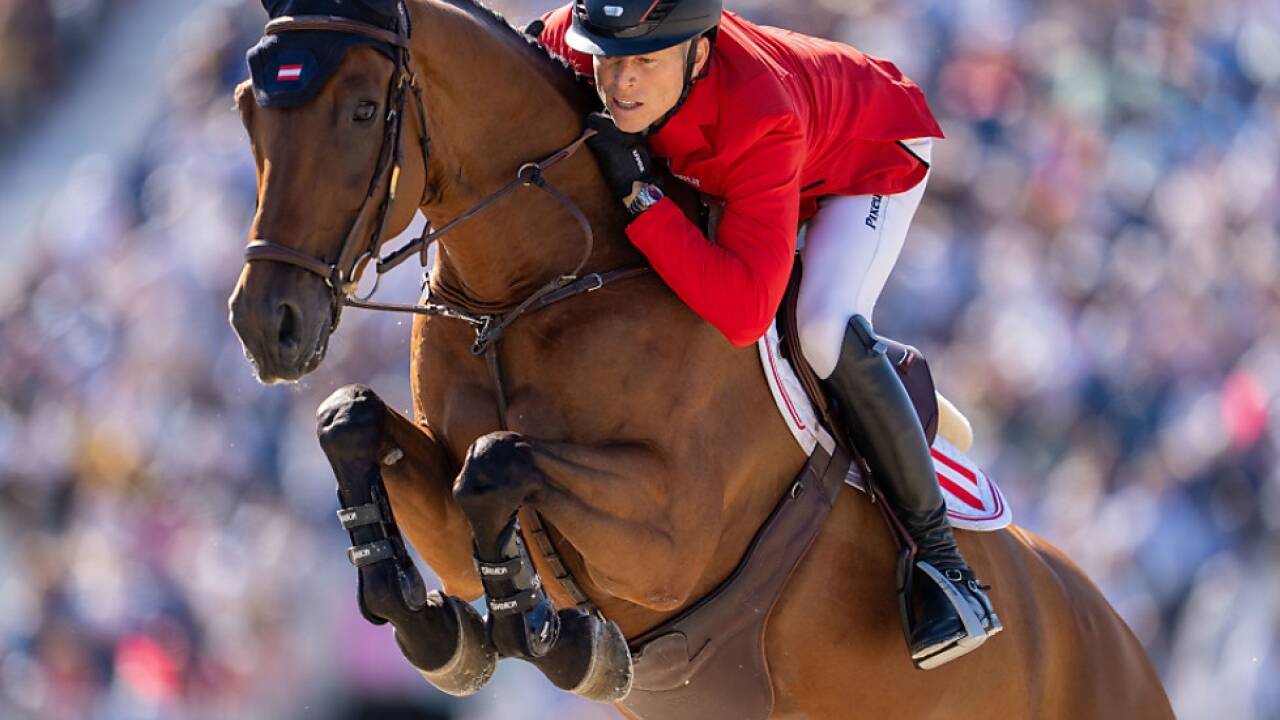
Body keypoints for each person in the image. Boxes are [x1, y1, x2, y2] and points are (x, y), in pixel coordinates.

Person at [535, 0, 1001, 668]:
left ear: (698, 52)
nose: (621, 83)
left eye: (645, 62)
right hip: (767, 170)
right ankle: (879, 383)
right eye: (610, 60)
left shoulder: (760, 112)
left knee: (819, 327)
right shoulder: (585, 40)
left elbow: (746, 312)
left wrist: (642, 199)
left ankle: (943, 566)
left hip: (867, 155)